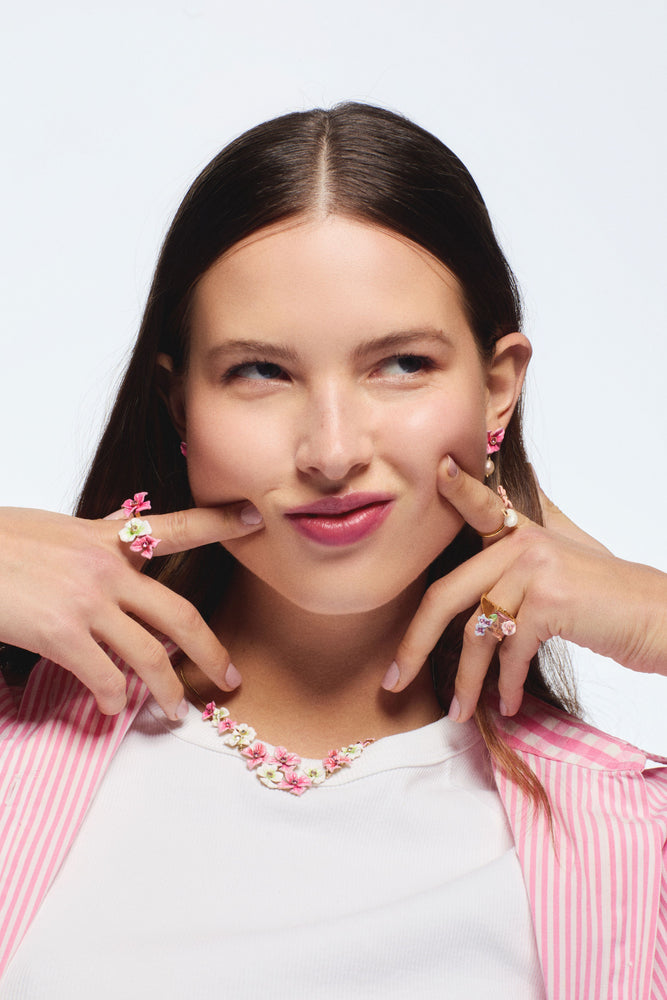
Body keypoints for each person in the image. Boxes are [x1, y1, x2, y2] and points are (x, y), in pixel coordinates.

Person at [1, 102, 666, 999]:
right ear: (178, 405)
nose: (331, 450)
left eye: (400, 365)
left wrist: (656, 617)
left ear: (496, 388)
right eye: (259, 372)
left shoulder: (631, 835)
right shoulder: (20, 743)